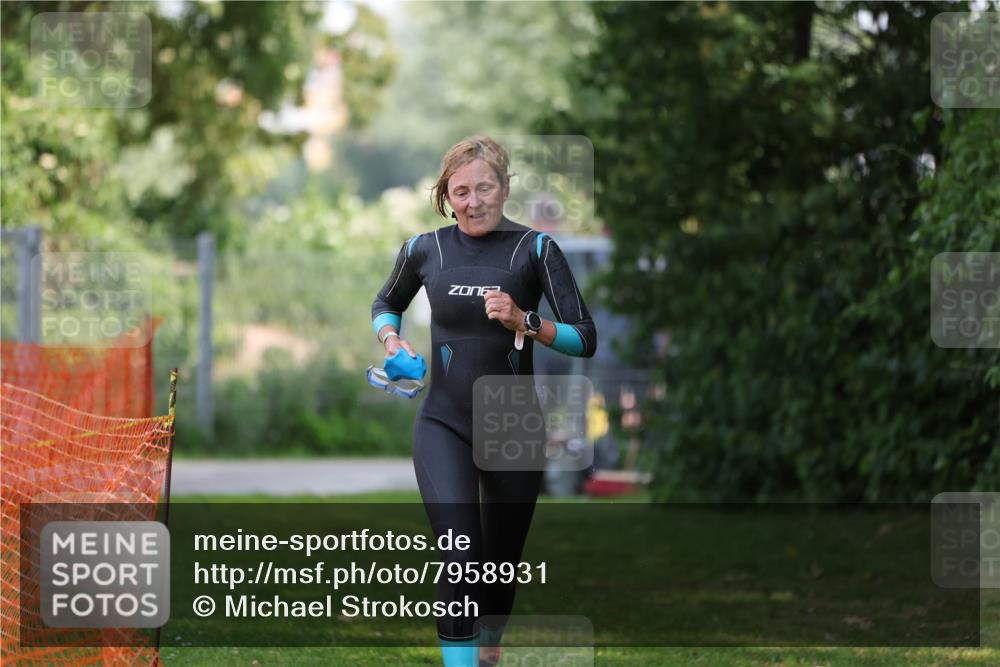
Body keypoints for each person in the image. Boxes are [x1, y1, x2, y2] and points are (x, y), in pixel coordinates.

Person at [371, 136, 597, 667]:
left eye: (485, 188)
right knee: (461, 556)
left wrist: (527, 321)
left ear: (505, 187)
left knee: (499, 563)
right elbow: (387, 303)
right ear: (446, 195)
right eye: (461, 191)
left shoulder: (536, 250)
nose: (474, 202)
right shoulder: (424, 249)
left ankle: (488, 646)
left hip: (514, 424)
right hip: (443, 421)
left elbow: (585, 337)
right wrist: (392, 341)